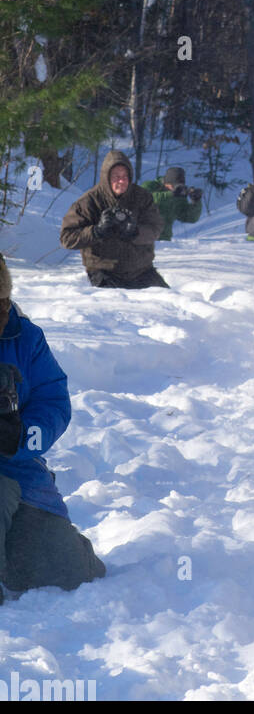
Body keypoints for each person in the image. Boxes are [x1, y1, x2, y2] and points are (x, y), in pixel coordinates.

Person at [0, 253, 106, 596]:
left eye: (1, 304)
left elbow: (53, 402)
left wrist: (22, 435)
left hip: (17, 470)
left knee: (68, 573)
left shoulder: (25, 337)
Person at [60, 151, 167, 289]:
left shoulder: (142, 197)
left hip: (142, 271)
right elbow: (67, 238)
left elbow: (156, 228)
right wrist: (96, 231)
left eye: (124, 176)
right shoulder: (88, 202)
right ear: (106, 177)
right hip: (104, 272)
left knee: (170, 305)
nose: (121, 181)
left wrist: (135, 232)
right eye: (116, 176)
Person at [143, 166, 203, 241]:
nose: (173, 189)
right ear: (166, 183)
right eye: (173, 186)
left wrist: (196, 202)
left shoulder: (179, 196)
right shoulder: (150, 186)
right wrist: (170, 194)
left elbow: (190, 217)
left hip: (163, 241)